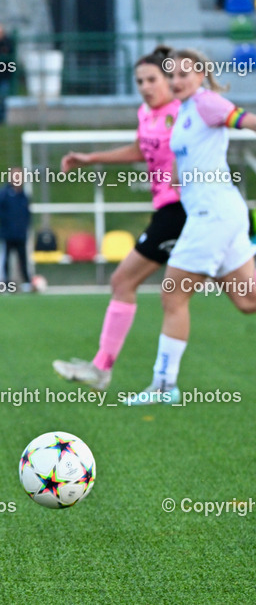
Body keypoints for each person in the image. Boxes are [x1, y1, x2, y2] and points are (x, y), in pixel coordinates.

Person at [121, 48, 256, 405]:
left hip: (213, 215)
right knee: (247, 300)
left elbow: (247, 121)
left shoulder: (207, 102)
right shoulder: (184, 112)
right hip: (219, 213)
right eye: (173, 75)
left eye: (185, 74)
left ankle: (164, 385)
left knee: (172, 294)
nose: (177, 81)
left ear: (200, 75)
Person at [54, 46, 185, 390]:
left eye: (152, 79)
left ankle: (102, 370)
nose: (144, 86)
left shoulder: (185, 110)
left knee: (125, 282)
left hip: (184, 211)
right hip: (171, 211)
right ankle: (105, 369)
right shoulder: (147, 113)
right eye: (139, 80)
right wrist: (91, 158)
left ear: (170, 80)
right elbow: (140, 150)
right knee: (243, 295)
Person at [0, 167, 32, 292]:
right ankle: (5, 284)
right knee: (6, 260)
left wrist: (24, 226)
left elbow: (27, 213)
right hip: (7, 233)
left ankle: (26, 283)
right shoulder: (4, 193)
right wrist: (7, 222)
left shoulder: (23, 195)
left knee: (23, 259)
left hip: (20, 234)